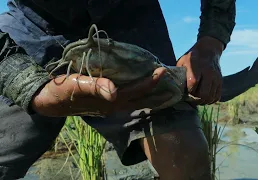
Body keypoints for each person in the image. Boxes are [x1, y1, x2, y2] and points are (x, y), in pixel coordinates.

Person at [0, 0, 236, 179]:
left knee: (185, 154)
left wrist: (211, 41)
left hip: (129, 17)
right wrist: (24, 82)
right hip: (29, 25)